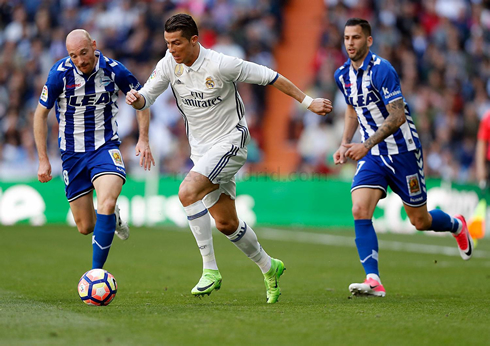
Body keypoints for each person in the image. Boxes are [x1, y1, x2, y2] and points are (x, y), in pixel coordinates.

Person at [126, 13, 332, 303]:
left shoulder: (222, 64)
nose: (171, 49)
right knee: (226, 224)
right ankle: (269, 266)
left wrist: (308, 102)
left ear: (194, 40)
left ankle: (210, 270)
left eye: (177, 43)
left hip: (231, 141)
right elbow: (147, 97)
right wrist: (137, 100)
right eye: (168, 43)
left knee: (187, 192)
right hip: (201, 152)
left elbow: (271, 76)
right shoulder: (168, 65)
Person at [333, 18, 474, 297]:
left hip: (403, 152)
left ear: (368, 41)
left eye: (356, 38)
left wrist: (364, 144)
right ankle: (373, 279)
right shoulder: (341, 75)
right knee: (359, 209)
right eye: (347, 38)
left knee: (419, 221)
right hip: (373, 154)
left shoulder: (382, 70)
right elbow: (353, 109)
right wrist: (345, 142)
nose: (350, 43)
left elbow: (397, 116)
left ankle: (456, 224)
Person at [33, 29, 154, 270]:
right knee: (85, 227)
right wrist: (43, 159)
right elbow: (40, 115)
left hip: (105, 147)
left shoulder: (114, 70)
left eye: (84, 53)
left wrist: (143, 138)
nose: (80, 60)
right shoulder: (59, 74)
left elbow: (142, 100)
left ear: (94, 46)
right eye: (74, 55)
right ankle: (112, 219)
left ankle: (96, 273)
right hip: (72, 154)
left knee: (106, 202)